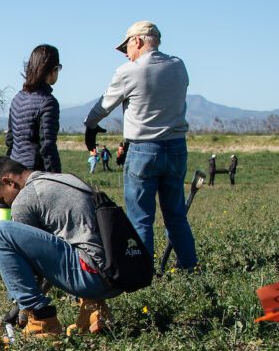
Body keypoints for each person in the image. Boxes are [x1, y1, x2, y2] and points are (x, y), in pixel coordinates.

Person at [83, 21, 198, 270]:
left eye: (127, 46)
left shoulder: (129, 71)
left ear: (137, 41)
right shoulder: (178, 66)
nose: (126, 52)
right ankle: (189, 267)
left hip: (144, 149)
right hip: (177, 147)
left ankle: (142, 273)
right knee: (176, 215)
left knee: (140, 218)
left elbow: (103, 106)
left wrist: (89, 126)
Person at [0, 155, 120, 339]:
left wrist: (25, 307)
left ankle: (43, 323)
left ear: (8, 181)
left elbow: (34, 269)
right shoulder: (66, 179)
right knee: (77, 241)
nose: (5, 204)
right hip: (117, 276)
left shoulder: (26, 197)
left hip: (91, 276)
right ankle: (95, 312)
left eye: (2, 198)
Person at [4, 44, 62, 172]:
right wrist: (56, 179)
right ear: (53, 69)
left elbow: (10, 140)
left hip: (14, 171)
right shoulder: (48, 102)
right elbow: (47, 146)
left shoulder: (17, 99)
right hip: (35, 173)